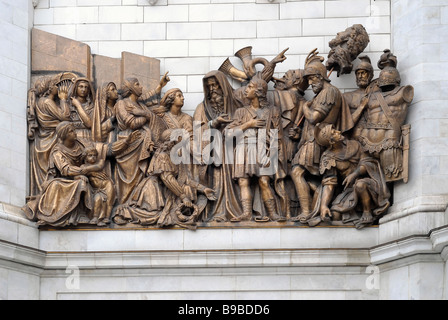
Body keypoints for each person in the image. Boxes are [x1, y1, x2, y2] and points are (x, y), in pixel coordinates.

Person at [290, 50, 354, 223]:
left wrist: (304, 107)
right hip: (310, 140)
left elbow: (314, 118)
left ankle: (306, 211)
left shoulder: (329, 92)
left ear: (321, 76)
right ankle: (317, 199)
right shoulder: (321, 94)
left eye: (312, 78)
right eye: (309, 79)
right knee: (307, 174)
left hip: (317, 141)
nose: (310, 83)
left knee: (296, 172)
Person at [114, 129, 217, 229]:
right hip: (154, 189)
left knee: (187, 189)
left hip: (170, 191)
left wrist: (203, 189)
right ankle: (125, 213)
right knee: (152, 214)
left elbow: (185, 179)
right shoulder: (162, 156)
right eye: (178, 141)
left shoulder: (177, 158)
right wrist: (183, 196)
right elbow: (167, 179)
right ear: (171, 142)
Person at [226, 75, 287, 222]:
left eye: (250, 87)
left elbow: (276, 135)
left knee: (264, 181)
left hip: (263, 149)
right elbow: (228, 134)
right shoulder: (241, 112)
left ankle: (272, 213)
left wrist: (271, 155)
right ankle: (246, 213)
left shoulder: (273, 111)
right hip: (243, 148)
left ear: (259, 91)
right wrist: (247, 125)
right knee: (243, 181)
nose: (246, 90)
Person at [307, 123, 391, 229]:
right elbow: (329, 184)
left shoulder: (355, 145)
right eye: (334, 133)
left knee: (360, 185)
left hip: (370, 183)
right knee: (335, 215)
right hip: (350, 190)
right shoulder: (328, 158)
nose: (339, 132)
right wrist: (323, 206)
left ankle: (367, 212)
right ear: (331, 141)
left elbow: (368, 162)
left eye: (336, 130)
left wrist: (354, 174)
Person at [193, 71, 242, 222]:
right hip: (215, 151)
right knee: (218, 179)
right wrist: (214, 123)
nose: (213, 89)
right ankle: (219, 211)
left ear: (223, 85)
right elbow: (196, 129)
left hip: (236, 148)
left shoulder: (236, 103)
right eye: (209, 87)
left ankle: (240, 210)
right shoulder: (202, 108)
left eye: (215, 85)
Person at [114, 75, 169, 204]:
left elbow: (149, 98)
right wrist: (148, 116)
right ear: (131, 88)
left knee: (141, 175)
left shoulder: (139, 104)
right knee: (129, 178)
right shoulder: (122, 103)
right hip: (129, 142)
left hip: (141, 142)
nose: (141, 87)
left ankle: (137, 200)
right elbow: (131, 123)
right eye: (138, 84)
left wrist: (160, 86)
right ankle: (125, 203)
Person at [357, 65, 414, 182]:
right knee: (361, 173)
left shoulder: (404, 91)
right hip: (366, 140)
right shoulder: (372, 95)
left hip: (389, 138)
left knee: (391, 175)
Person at [27, 73, 72, 197]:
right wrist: (63, 99)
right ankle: (47, 196)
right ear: (50, 88)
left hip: (44, 140)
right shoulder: (47, 102)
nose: (58, 88)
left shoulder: (43, 101)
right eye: (56, 85)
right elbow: (65, 117)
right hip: (50, 139)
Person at [81, 145, 116, 227]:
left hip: (107, 184)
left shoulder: (100, 162)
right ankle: (96, 218)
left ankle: (107, 217)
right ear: (85, 158)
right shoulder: (83, 166)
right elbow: (80, 172)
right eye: (90, 155)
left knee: (109, 201)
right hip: (95, 189)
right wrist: (91, 173)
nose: (93, 157)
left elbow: (99, 166)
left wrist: (88, 171)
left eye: (94, 155)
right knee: (97, 199)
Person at [68, 77, 96, 142]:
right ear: (76, 88)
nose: (83, 89)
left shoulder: (91, 106)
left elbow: (89, 124)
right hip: (71, 138)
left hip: (87, 137)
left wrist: (78, 105)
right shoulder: (68, 105)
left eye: (86, 87)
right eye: (81, 86)